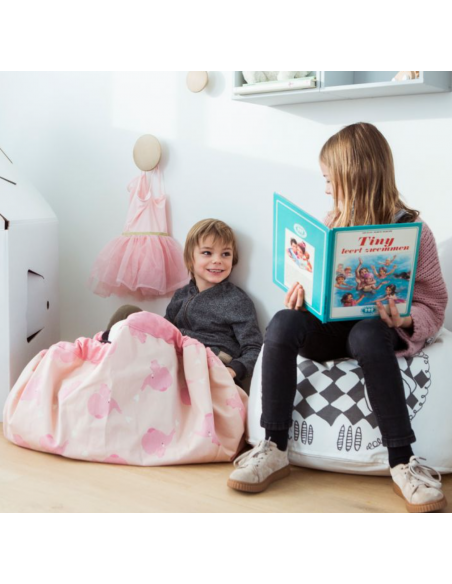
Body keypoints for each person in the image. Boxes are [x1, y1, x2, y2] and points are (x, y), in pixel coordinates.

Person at [228, 122, 448, 512]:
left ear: (356, 176)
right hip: (330, 327)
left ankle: (403, 461)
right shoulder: (331, 225)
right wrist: (301, 297)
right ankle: (273, 446)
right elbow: (318, 286)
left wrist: (405, 319)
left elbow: (433, 304)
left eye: (330, 180)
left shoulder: (414, 230)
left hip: (379, 329)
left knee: (366, 335)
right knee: (282, 322)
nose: (327, 190)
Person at [103, 219, 263, 385]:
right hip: (174, 353)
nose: (217, 260)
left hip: (209, 360)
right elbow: (164, 328)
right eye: (207, 253)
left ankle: (114, 356)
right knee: (127, 312)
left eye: (225, 254)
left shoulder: (237, 301)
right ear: (190, 259)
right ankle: (107, 351)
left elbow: (254, 348)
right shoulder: (181, 294)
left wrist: (233, 370)